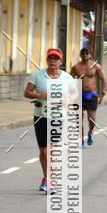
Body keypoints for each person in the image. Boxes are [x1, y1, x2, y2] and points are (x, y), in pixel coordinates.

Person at [23, 48, 76, 193]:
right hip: (41, 115)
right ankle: (45, 177)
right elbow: (26, 93)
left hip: (58, 116)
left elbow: (74, 92)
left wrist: (68, 100)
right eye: (50, 58)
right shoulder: (38, 75)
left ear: (61, 61)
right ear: (47, 60)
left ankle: (51, 180)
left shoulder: (67, 77)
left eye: (56, 58)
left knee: (52, 150)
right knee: (44, 151)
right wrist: (40, 95)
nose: (53, 61)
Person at [70, 48, 106, 147]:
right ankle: (81, 140)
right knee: (78, 119)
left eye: (87, 53)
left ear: (89, 54)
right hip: (79, 95)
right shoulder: (76, 67)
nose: (85, 55)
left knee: (92, 120)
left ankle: (90, 133)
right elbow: (70, 81)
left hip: (92, 95)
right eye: (83, 53)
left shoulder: (96, 66)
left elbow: (103, 79)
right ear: (80, 55)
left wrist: (103, 92)